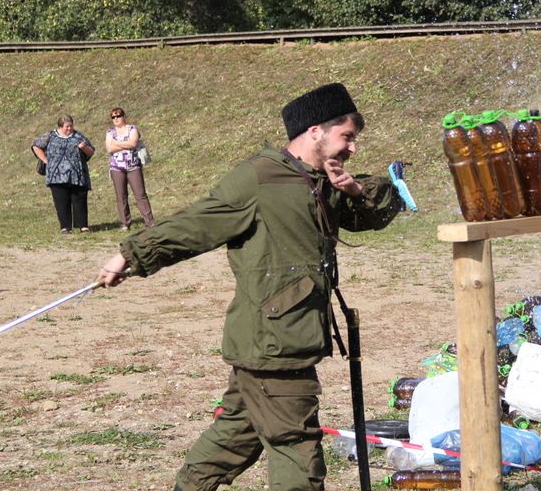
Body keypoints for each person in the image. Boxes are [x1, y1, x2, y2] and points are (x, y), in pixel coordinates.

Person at [97, 83, 404, 491]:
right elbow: (197, 223)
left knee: (235, 438)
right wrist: (131, 255)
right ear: (316, 130)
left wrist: (356, 189)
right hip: (276, 344)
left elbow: (379, 211)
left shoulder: (321, 180)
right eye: (347, 136)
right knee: (297, 450)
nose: (352, 148)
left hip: (277, 341)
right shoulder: (259, 178)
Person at [32, 115, 95, 234]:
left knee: (79, 199)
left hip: (77, 175)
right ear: (60, 126)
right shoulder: (50, 135)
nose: (69, 128)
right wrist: (45, 160)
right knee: (61, 201)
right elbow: (36, 145)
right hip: (56, 175)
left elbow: (91, 151)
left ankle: (83, 225)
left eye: (71, 126)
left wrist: (84, 147)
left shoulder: (78, 136)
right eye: (67, 126)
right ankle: (65, 227)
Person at [105, 107, 155, 231]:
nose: (116, 118)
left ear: (124, 116)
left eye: (118, 116)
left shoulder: (132, 129)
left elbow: (133, 144)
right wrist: (125, 144)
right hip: (117, 167)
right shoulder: (110, 132)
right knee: (121, 196)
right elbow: (109, 149)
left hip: (133, 166)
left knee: (140, 194)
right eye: (113, 117)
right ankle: (125, 223)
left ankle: (149, 222)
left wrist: (117, 143)